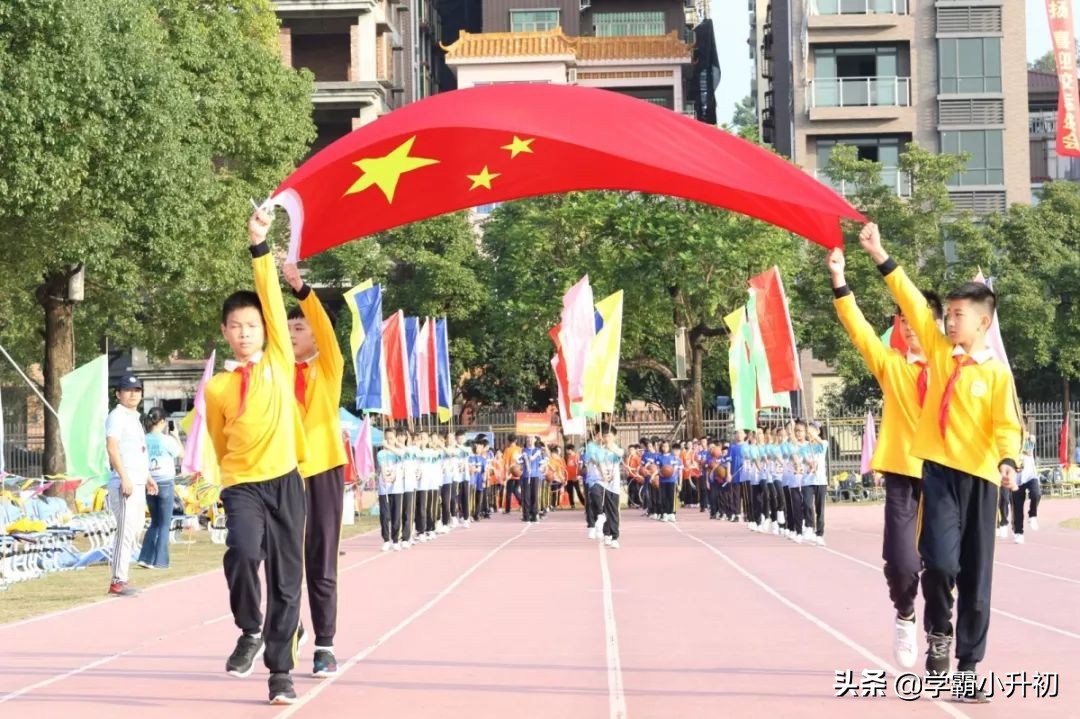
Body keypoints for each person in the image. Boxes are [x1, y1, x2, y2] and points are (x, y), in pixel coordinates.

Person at [863, 222, 1022, 700]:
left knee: (975, 575)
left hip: (981, 478)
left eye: (958, 315)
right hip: (937, 475)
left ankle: (968, 665)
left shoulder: (995, 376)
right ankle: (938, 632)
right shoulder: (936, 352)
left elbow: (1006, 426)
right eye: (947, 314)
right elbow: (911, 300)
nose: (949, 322)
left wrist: (1009, 460)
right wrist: (879, 253)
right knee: (940, 564)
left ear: (983, 322)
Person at [205, 209, 308, 704]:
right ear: (225, 331)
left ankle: (279, 673)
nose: (244, 332)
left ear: (264, 329)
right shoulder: (219, 387)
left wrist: (259, 244)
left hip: (287, 481)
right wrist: (230, 481)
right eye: (235, 326)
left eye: (251, 324)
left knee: (288, 579)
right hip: (243, 484)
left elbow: (269, 295)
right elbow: (221, 445)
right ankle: (249, 628)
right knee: (245, 554)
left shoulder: (280, 360)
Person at [829, 244, 945, 665]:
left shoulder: (953, 368)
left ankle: (939, 633)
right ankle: (904, 613)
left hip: (944, 475)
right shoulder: (892, 365)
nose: (910, 326)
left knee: (944, 566)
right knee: (901, 565)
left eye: (917, 319)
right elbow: (857, 327)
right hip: (901, 472)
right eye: (904, 320)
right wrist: (839, 277)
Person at [282, 260, 347, 678]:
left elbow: (322, 326)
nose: (291, 335)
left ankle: (324, 645)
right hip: (284, 471)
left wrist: (301, 289)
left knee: (321, 558)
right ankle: (292, 626)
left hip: (323, 468)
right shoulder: (276, 375)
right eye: (286, 331)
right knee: (281, 557)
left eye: (298, 330)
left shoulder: (328, 367)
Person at [105, 374, 155, 597]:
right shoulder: (117, 416)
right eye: (128, 390)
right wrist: (124, 476)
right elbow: (112, 448)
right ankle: (117, 580)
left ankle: (122, 577)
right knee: (125, 532)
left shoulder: (134, 418)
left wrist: (147, 477)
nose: (133, 394)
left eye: (137, 390)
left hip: (137, 480)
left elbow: (136, 452)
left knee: (133, 530)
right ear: (118, 394)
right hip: (124, 483)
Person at [138, 407, 183, 570]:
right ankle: (161, 561)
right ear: (163, 421)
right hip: (165, 482)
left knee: (154, 522)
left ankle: (145, 557)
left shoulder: (143, 439)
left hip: (149, 482)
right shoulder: (166, 440)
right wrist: (176, 437)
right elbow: (182, 454)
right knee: (164, 523)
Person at [1012, 434, 1041, 544]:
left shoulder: (1028, 439)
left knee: (1036, 494)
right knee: (1018, 506)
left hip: (1030, 475)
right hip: (1017, 477)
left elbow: (1029, 450)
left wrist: (1029, 438)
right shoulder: (1011, 441)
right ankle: (1018, 533)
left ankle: (1032, 515)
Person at [377, 429, 403, 551]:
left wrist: (390, 446)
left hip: (397, 488)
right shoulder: (381, 453)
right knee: (385, 515)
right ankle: (386, 539)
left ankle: (396, 540)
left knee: (396, 515)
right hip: (384, 489)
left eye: (391, 438)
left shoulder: (399, 452)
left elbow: (401, 454)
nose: (389, 440)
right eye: (387, 438)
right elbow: (382, 467)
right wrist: (386, 477)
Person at [564, 444, 586, 509]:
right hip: (568, 478)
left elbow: (579, 467)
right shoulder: (568, 457)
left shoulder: (576, 457)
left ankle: (584, 503)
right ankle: (572, 505)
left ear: (570, 450)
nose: (567, 452)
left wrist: (577, 476)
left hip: (575, 477)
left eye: (567, 450)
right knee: (570, 492)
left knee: (578, 491)